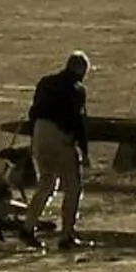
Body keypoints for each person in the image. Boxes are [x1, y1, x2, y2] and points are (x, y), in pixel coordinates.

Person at [22, 50, 91, 248]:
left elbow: (33, 112)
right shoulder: (77, 89)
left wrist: (33, 139)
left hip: (40, 133)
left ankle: (27, 228)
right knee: (73, 187)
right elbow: (77, 122)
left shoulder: (45, 82)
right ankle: (66, 235)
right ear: (81, 70)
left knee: (46, 183)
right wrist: (84, 151)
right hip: (59, 136)